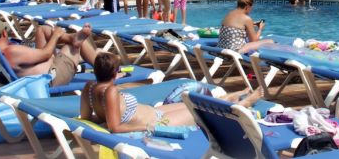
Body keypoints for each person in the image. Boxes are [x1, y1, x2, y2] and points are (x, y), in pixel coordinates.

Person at [80, 52, 264, 133]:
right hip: (156, 121)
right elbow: (115, 127)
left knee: (192, 103)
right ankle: (242, 104)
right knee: (204, 112)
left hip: (155, 112)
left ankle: (229, 97)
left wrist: (102, 117)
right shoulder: (110, 91)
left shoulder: (89, 87)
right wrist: (147, 128)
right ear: (114, 72)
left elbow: (88, 117)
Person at [0, 19, 99, 87]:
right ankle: (104, 71)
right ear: (4, 33)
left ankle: (72, 37)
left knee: (42, 30)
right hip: (51, 77)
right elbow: (46, 54)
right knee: (76, 45)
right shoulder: (10, 51)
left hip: (46, 69)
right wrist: (56, 35)